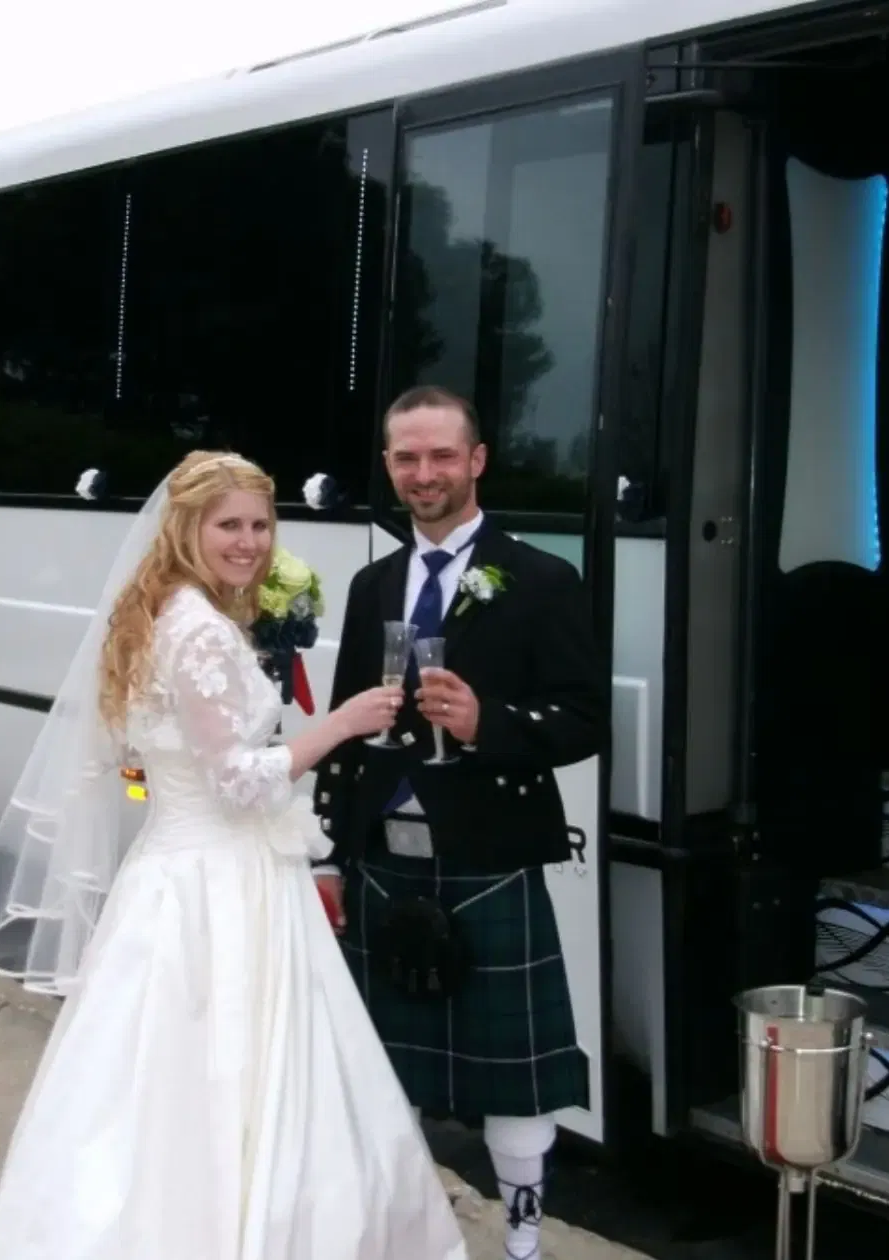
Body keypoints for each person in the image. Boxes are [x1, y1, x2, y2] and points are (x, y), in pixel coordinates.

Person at [0, 450, 467, 1260]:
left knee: (164, 1087)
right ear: (186, 527)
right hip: (220, 884)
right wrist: (339, 724)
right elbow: (237, 782)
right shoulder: (196, 632)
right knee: (228, 1076)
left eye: (262, 524)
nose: (251, 543)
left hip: (185, 873)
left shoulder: (171, 610)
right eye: (230, 524)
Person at [311, 386, 605, 1260]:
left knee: (513, 1079)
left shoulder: (544, 578)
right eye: (407, 458)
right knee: (383, 1067)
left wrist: (489, 728)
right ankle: (403, 1234)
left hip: (486, 852)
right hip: (381, 856)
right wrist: (330, 853)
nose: (424, 473)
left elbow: (587, 719)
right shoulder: (372, 584)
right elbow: (343, 728)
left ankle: (521, 1244)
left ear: (477, 461)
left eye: (442, 455)